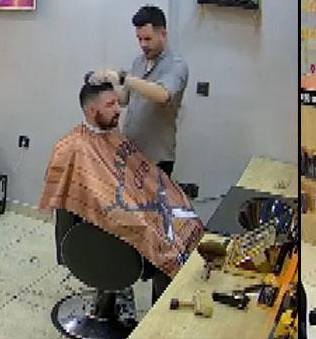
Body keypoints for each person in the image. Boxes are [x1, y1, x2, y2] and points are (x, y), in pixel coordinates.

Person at [41, 82, 203, 305]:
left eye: (118, 102)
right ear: (92, 111)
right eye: (111, 104)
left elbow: (136, 179)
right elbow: (100, 202)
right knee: (166, 245)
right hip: (104, 230)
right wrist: (142, 219)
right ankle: (161, 316)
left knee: (185, 222)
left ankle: (164, 308)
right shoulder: (72, 147)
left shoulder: (112, 136)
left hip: (134, 211)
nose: (119, 109)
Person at [89, 5, 189, 303]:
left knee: (153, 231)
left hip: (156, 160)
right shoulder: (139, 62)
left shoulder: (177, 66)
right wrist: (107, 86)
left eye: (147, 39)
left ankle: (159, 298)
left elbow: (161, 94)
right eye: (139, 39)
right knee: (125, 225)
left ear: (163, 33)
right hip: (130, 157)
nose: (143, 45)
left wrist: (125, 76)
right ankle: (119, 285)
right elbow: (126, 98)